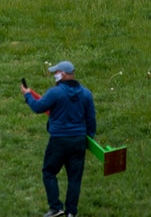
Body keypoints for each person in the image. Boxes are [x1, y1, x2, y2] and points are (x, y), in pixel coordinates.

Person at [21, 60, 96, 217]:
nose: (54, 75)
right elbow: (91, 120)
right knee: (74, 178)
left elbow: (38, 107)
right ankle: (71, 212)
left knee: (49, 172)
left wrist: (27, 95)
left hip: (58, 140)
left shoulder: (55, 93)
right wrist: (89, 139)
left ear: (63, 74)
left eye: (56, 72)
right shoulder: (86, 94)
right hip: (78, 141)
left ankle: (55, 207)